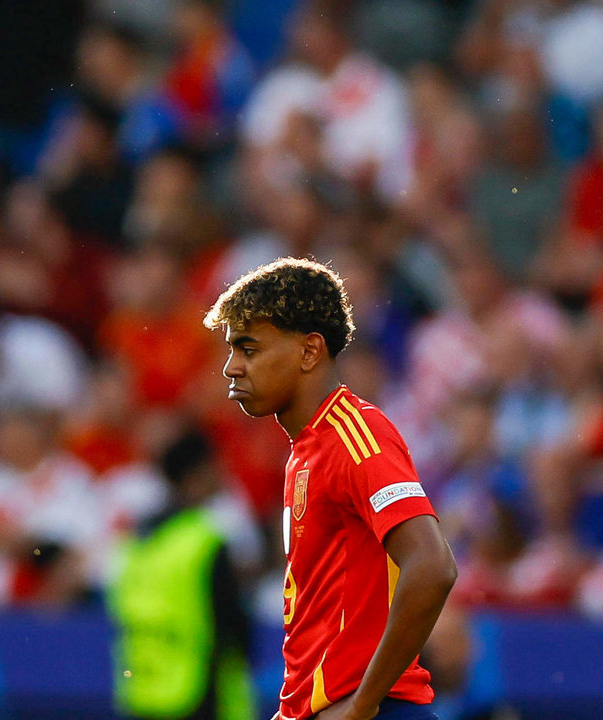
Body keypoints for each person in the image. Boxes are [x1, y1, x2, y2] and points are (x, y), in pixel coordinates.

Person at [204, 258, 457, 720]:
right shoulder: (307, 448)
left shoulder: (357, 436)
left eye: (248, 348)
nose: (231, 368)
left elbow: (433, 566)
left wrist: (361, 704)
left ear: (309, 350)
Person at [107, 429, 258, 720]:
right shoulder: (204, 541)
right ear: (196, 475)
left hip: (142, 690)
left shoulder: (137, 540)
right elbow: (232, 625)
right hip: (197, 692)